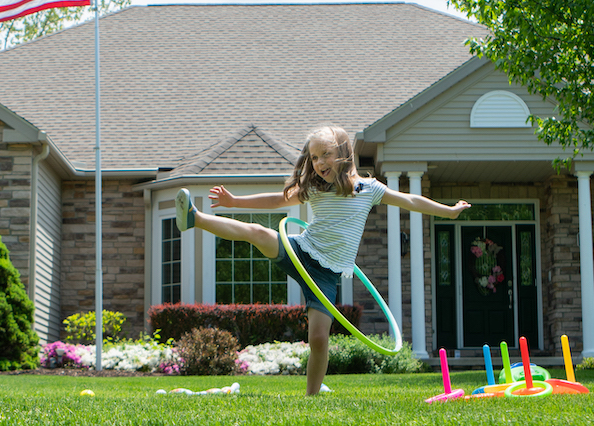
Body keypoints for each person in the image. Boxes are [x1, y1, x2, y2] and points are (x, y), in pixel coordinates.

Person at [175, 125, 470, 396]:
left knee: (318, 338)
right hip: (302, 253)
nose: (318, 163)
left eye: (325, 155)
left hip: (327, 275)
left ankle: (311, 397)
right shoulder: (315, 188)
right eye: (314, 158)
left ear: (343, 154)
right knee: (257, 233)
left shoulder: (370, 190)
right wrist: (235, 202)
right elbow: (278, 200)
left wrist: (448, 211)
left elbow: (411, 201)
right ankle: (195, 217)